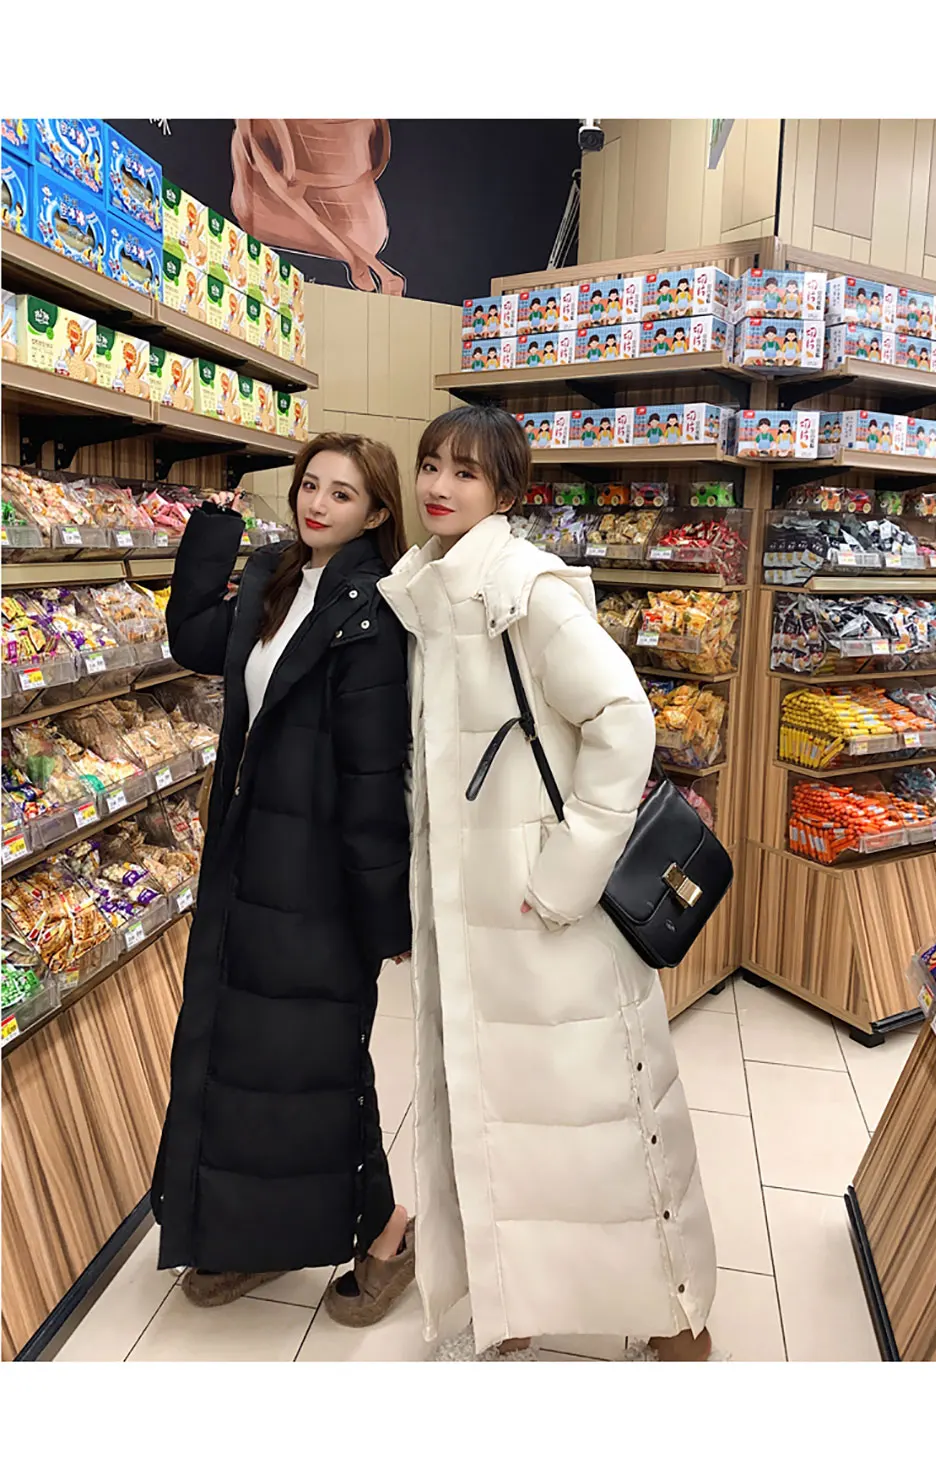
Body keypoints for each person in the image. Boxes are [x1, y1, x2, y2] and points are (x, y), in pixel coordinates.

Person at [378, 405, 719, 1363]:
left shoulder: (525, 590)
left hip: (546, 911)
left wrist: (566, 871)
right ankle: (510, 1304)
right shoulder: (425, 590)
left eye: (466, 472)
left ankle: (678, 1320)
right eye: (430, 464)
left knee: (602, 1113)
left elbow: (622, 717)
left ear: (506, 491)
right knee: (495, 1117)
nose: (439, 485)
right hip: (472, 910)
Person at [152, 432, 415, 1324]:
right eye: (310, 485)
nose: (318, 504)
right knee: (242, 1058)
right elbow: (195, 637)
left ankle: (385, 1230)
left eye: (342, 494)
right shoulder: (275, 577)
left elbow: (371, 778)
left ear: (375, 513)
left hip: (317, 884)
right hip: (245, 861)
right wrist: (211, 531)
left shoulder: (373, 610)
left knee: (316, 1061)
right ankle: (252, 1238)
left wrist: (382, 916)